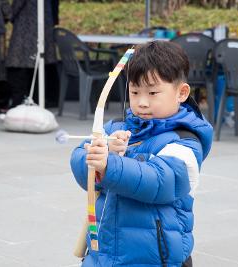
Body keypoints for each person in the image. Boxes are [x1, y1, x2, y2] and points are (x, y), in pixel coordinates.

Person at [70, 41, 213, 267]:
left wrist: (110, 165)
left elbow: (158, 181)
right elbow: (81, 157)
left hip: (156, 258)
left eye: (153, 92)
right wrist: (100, 154)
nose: (142, 102)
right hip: (103, 254)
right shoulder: (115, 127)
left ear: (181, 92)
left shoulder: (185, 140)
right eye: (135, 92)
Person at [5, 0, 57, 107]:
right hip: (44, 25)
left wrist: (7, 14)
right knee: (39, 66)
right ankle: (39, 100)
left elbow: (15, 8)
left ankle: (19, 102)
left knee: (18, 64)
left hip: (27, 27)